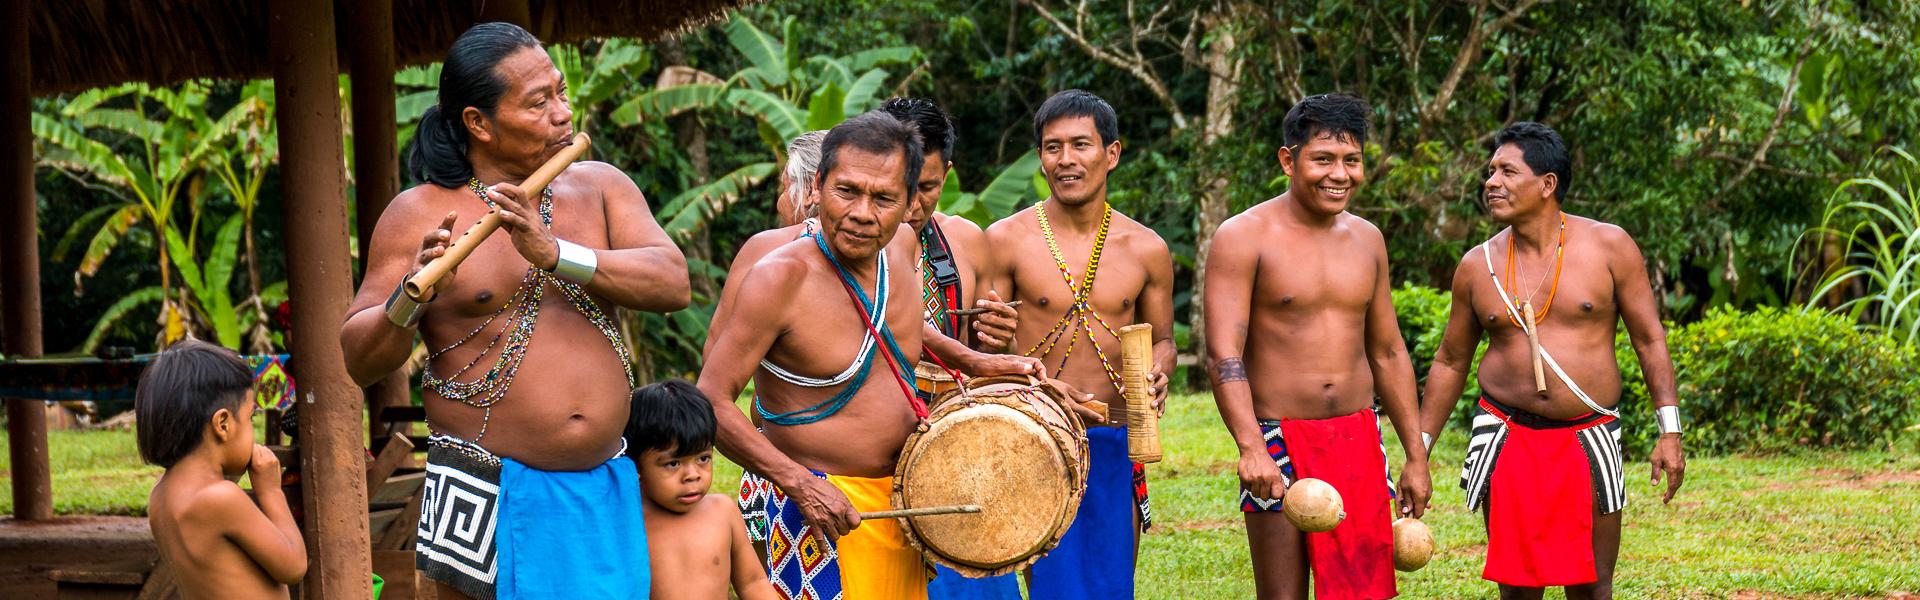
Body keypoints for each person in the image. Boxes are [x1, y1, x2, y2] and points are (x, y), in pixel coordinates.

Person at [338, 22, 690, 599]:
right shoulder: (418, 212)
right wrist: (412, 295)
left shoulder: (600, 188)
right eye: (538, 102)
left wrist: (557, 254)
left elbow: (673, 283)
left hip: (602, 485)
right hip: (483, 488)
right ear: (478, 122)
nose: (561, 113)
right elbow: (359, 360)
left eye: (561, 92)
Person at [697, 111, 1043, 600]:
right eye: (847, 191)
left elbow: (893, 323)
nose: (863, 212)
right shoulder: (779, 278)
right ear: (816, 186)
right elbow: (709, 399)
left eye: (883, 198)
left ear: (910, 203)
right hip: (818, 513)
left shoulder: (900, 248)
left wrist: (973, 360)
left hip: (901, 503)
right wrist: (799, 483)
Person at [1413, 121, 1687, 600]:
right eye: (1490, 171)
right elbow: (1451, 361)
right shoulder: (1478, 265)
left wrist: (1670, 430)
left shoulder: (1609, 247)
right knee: (1518, 589)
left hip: (1589, 437)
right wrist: (1419, 451)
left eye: (1506, 172)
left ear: (1547, 184)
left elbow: (1649, 339)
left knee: (1592, 587)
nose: (1490, 182)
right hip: (1506, 435)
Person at [1203, 93, 1424, 600]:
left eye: (1352, 160)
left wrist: (1415, 454)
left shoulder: (1368, 240)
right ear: (1289, 159)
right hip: (1277, 438)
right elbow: (1224, 354)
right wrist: (1251, 448)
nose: (1339, 174)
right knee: (1282, 595)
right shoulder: (1243, 237)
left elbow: (1388, 351)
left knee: (1364, 591)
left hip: (1358, 436)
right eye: (1323, 159)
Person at [977, 89, 1176, 600]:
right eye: (1052, 147)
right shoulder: (1004, 239)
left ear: (1111, 153)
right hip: (1028, 439)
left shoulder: (1146, 248)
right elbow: (978, 345)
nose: (1065, 160)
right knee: (1027, 579)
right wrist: (989, 333)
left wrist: (1158, 369)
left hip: (1111, 439)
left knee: (1108, 584)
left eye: (1080, 145)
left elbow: (1166, 340)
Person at [875, 97, 1022, 600]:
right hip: (870, 453)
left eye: (929, 187)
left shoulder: (966, 241)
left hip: (958, 457)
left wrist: (999, 334)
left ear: (948, 175)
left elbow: (990, 349)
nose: (913, 205)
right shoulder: (842, 245)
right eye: (902, 187)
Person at [139, 340, 307, 600]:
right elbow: (293, 566)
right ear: (223, 424)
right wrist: (272, 491)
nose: (252, 429)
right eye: (250, 417)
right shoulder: (223, 498)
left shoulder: (161, 497)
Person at [624, 379, 778, 600]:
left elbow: (753, 582)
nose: (692, 475)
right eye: (673, 463)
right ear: (636, 465)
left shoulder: (723, 513)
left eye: (703, 458)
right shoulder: (630, 524)